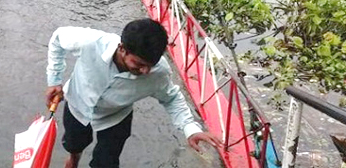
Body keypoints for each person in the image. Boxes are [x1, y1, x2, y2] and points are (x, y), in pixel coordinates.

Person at [46, 19, 222, 168]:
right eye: (138, 64)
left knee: (107, 162)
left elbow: (172, 98)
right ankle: (73, 159)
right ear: (122, 49)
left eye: (149, 65)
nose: (145, 71)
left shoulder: (158, 72)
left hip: (115, 118)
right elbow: (58, 38)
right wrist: (54, 80)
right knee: (74, 144)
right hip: (78, 105)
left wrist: (190, 129)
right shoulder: (92, 42)